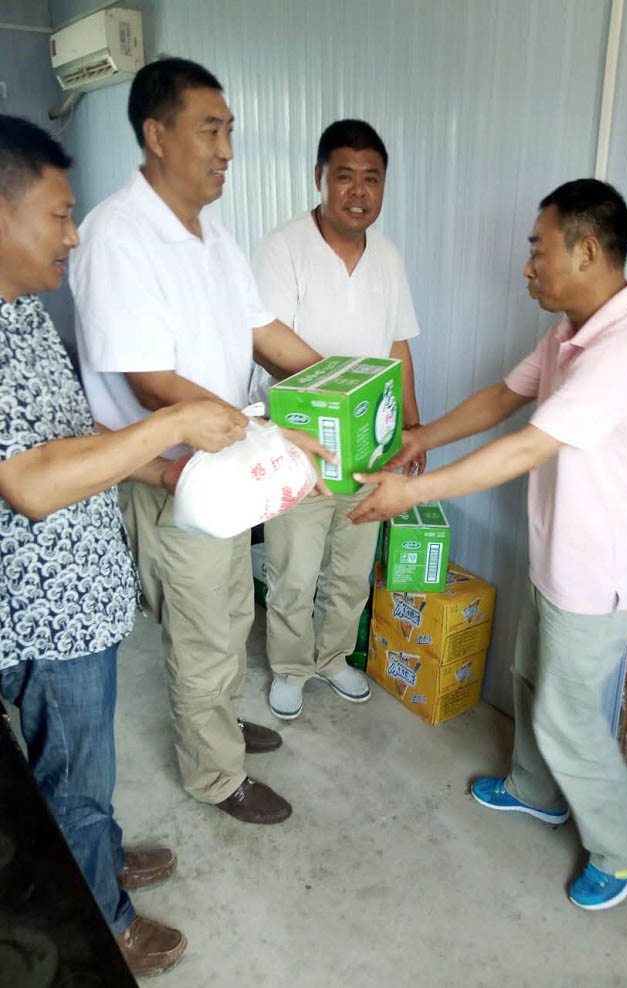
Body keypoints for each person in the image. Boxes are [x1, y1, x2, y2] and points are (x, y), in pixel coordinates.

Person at [349, 179, 627, 911]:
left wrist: (411, 492)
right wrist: (420, 438)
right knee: (531, 679)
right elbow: (503, 397)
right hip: (558, 556)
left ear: (585, 251)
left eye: (538, 250)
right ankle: (535, 790)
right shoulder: (567, 334)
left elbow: (527, 445)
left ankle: (625, 846)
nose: (527, 267)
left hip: (598, 574)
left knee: (567, 715)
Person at [0, 115, 252, 976]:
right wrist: (177, 422)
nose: (72, 236)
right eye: (58, 216)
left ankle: (97, 856)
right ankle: (102, 924)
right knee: (71, 779)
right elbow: (31, 483)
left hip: (81, 590)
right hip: (44, 614)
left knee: (84, 772)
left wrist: (163, 472)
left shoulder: (23, 314)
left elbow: (76, 439)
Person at [70, 59, 328, 823]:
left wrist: (339, 383)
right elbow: (152, 384)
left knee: (231, 611)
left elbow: (261, 330)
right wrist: (267, 434)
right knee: (202, 631)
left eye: (229, 132)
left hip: (229, 471)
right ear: (156, 135)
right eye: (209, 131)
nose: (226, 151)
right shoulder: (118, 237)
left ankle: (221, 722)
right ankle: (215, 774)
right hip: (172, 476)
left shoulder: (211, 232)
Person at [250, 119, 425, 720]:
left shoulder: (389, 258)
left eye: (371, 179)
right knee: (295, 569)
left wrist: (411, 425)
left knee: (351, 566)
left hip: (372, 444)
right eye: (345, 176)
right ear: (319, 178)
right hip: (302, 444)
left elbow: (398, 345)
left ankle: (331, 657)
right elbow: (265, 342)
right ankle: (290, 667)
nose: (358, 191)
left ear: (383, 186)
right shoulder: (284, 248)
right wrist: (338, 396)